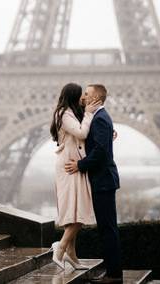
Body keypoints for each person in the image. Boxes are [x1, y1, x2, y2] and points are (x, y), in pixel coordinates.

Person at [65, 84, 123, 283]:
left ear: (96, 98)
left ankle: (114, 274)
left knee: (107, 229)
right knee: (108, 229)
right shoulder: (100, 117)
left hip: (103, 181)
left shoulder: (99, 119)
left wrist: (80, 165)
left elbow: (100, 152)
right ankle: (112, 271)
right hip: (104, 179)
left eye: (87, 94)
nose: (83, 97)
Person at [48, 82, 101, 270]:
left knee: (75, 210)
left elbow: (83, 137)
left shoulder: (70, 112)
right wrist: (89, 113)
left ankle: (72, 254)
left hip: (74, 165)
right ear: (73, 96)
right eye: (81, 95)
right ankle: (60, 248)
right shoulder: (63, 114)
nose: (83, 98)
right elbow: (81, 131)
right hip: (69, 167)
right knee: (77, 212)